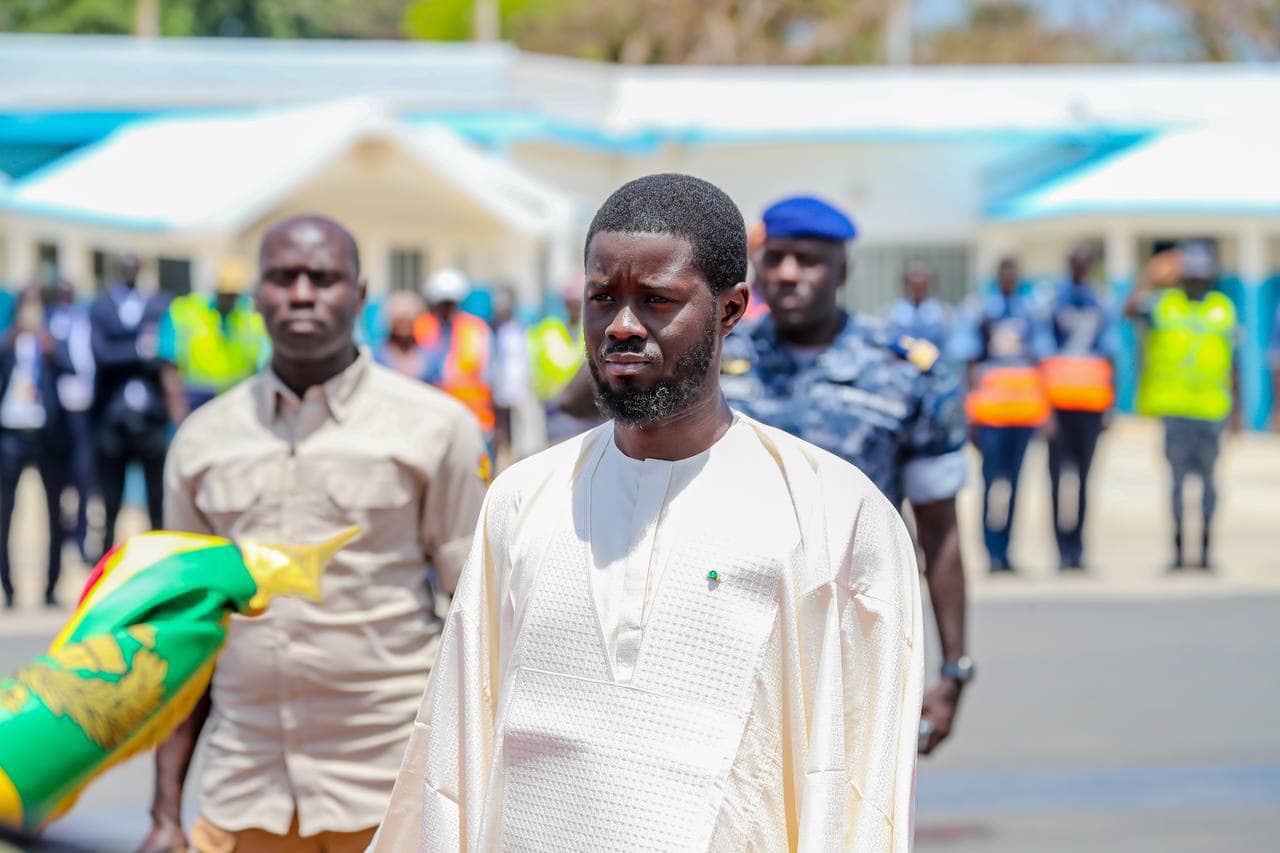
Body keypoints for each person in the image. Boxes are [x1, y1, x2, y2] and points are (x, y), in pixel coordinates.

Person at [372, 174, 922, 851]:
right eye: (603, 297)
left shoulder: (833, 513)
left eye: (657, 300)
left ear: (730, 309)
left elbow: (858, 787)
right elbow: (456, 751)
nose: (622, 326)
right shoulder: (523, 500)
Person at [139, 215, 488, 853]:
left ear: (359, 296)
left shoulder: (438, 429)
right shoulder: (201, 441)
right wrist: (165, 813)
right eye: (283, 278)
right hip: (244, 790)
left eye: (323, 279)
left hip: (389, 790)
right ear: (257, 296)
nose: (302, 294)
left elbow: (479, 626)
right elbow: (186, 635)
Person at [720, 194, 971, 757]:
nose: (788, 273)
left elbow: (940, 532)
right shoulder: (710, 357)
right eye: (775, 258)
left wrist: (954, 669)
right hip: (728, 635)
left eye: (808, 260)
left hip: (853, 642)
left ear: (843, 270)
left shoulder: (905, 373)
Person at [1126, 242, 1239, 570]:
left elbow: (1233, 363)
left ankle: (1204, 552)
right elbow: (1128, 311)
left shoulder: (1222, 309)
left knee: (1209, 483)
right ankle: (1177, 552)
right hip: (1175, 410)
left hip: (1211, 410)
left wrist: (1238, 411)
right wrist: (1149, 277)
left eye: (1200, 277)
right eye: (1190, 277)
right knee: (1176, 483)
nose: (1195, 283)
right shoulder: (1163, 305)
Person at [953, 256, 1050, 573]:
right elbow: (969, 362)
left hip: (1022, 413)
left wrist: (1044, 411)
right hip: (991, 415)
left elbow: (1040, 360)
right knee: (991, 483)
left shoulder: (1029, 312)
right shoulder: (982, 310)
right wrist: (969, 414)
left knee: (1016, 484)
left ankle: (1007, 550)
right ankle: (990, 550)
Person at [87, 253, 186, 557]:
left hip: (151, 418)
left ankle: (159, 561)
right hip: (112, 417)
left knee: (156, 500)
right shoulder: (102, 306)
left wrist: (127, 349)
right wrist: (139, 349)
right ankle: (104, 561)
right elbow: (102, 354)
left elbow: (166, 356)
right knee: (110, 501)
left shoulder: (159, 304)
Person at [1040, 244, 1118, 570]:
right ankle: (1060, 549)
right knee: (1057, 480)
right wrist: (1044, 409)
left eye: (1086, 263)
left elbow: (1111, 354)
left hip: (1090, 405)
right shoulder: (1052, 301)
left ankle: (1079, 548)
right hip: (1058, 406)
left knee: (1085, 480)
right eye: (1076, 262)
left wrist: (1111, 405)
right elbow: (1041, 356)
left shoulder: (1101, 301)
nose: (1081, 268)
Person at [0, 286, 73, 609]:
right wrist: (10, 341)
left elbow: (73, 369)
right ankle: (8, 588)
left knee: (55, 513)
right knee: (6, 513)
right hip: (11, 435)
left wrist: (50, 347)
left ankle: (51, 587)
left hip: (46, 436)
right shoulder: (8, 344)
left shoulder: (50, 344)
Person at [164, 257, 268, 411]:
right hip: (196, 398)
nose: (229, 300)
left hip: (237, 399)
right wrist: (178, 412)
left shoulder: (250, 318)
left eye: (233, 295)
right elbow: (170, 368)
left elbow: (263, 363)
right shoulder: (189, 312)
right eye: (225, 294)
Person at [44, 278, 95, 563]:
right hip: (57, 417)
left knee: (84, 479)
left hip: (83, 414)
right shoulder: (48, 321)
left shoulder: (84, 319)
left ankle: (81, 535)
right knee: (57, 483)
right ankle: (61, 533)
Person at [416, 269, 495, 437]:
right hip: (433, 418)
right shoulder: (422, 326)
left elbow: (488, 373)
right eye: (442, 304)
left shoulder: (475, 328)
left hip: (473, 417)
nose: (446, 309)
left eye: (450, 303)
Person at [529, 276, 600, 443]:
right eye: (571, 301)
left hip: (587, 406)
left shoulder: (592, 328)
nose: (574, 306)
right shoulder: (549, 328)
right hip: (557, 408)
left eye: (578, 301)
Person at [488, 285, 531, 461]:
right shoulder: (492, 329)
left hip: (519, 387)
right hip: (499, 388)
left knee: (520, 433)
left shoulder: (520, 327)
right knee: (501, 431)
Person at [887, 259, 950, 349]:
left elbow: (948, 345)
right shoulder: (890, 313)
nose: (917, 291)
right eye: (914, 286)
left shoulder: (943, 313)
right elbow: (888, 339)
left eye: (922, 286)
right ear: (905, 285)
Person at [374, 290, 429, 379]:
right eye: (400, 320)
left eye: (408, 320)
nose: (404, 326)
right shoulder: (377, 357)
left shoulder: (430, 357)